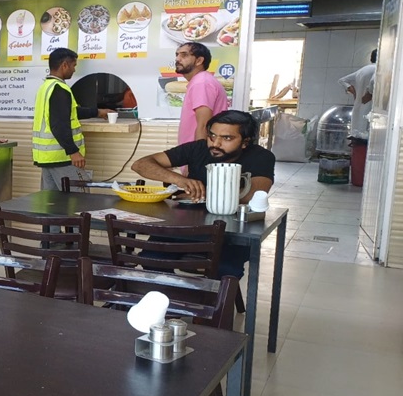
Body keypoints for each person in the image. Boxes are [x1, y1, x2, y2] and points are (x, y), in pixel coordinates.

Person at [131, 110, 275, 278]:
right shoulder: (198, 148)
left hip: (233, 233)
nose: (216, 143)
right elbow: (140, 165)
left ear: (245, 142)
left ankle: (209, 296)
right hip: (187, 227)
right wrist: (179, 180)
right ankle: (175, 294)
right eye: (212, 136)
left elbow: (254, 195)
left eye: (227, 138)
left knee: (225, 271)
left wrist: (202, 194)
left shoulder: (261, 157)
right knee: (151, 259)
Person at [32, 48, 114, 189]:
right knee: (79, 197)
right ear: (64, 65)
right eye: (73, 65)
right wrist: (73, 152)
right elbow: (59, 124)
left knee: (51, 200)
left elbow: (70, 113)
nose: (74, 70)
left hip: (47, 157)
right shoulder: (60, 89)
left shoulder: (46, 87)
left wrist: (97, 112)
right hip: (62, 158)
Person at [175, 42, 229, 145]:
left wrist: (199, 153)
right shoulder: (201, 81)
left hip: (198, 151)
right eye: (177, 55)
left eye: (184, 55)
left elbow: (204, 125)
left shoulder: (201, 83)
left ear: (199, 61)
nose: (177, 59)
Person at [338, 49, 376, 139]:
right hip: (369, 108)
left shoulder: (362, 70)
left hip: (358, 107)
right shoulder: (378, 70)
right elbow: (373, 82)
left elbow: (342, 80)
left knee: (356, 135)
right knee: (366, 137)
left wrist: (354, 92)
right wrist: (369, 93)